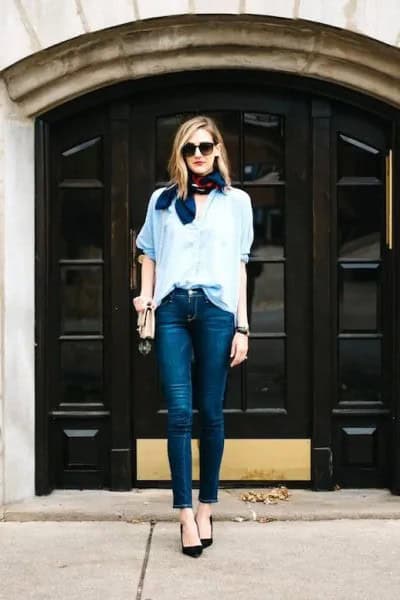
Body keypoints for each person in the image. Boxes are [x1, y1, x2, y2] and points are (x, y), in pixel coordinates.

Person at [133, 115, 254, 557]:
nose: (198, 155)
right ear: (180, 155)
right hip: (171, 311)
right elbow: (147, 251)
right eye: (190, 149)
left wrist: (243, 325)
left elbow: (240, 265)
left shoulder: (237, 202)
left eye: (205, 146)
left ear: (218, 149)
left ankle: (207, 507)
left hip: (217, 312)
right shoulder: (162, 201)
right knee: (180, 412)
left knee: (212, 412)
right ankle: (184, 513)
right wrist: (145, 299)